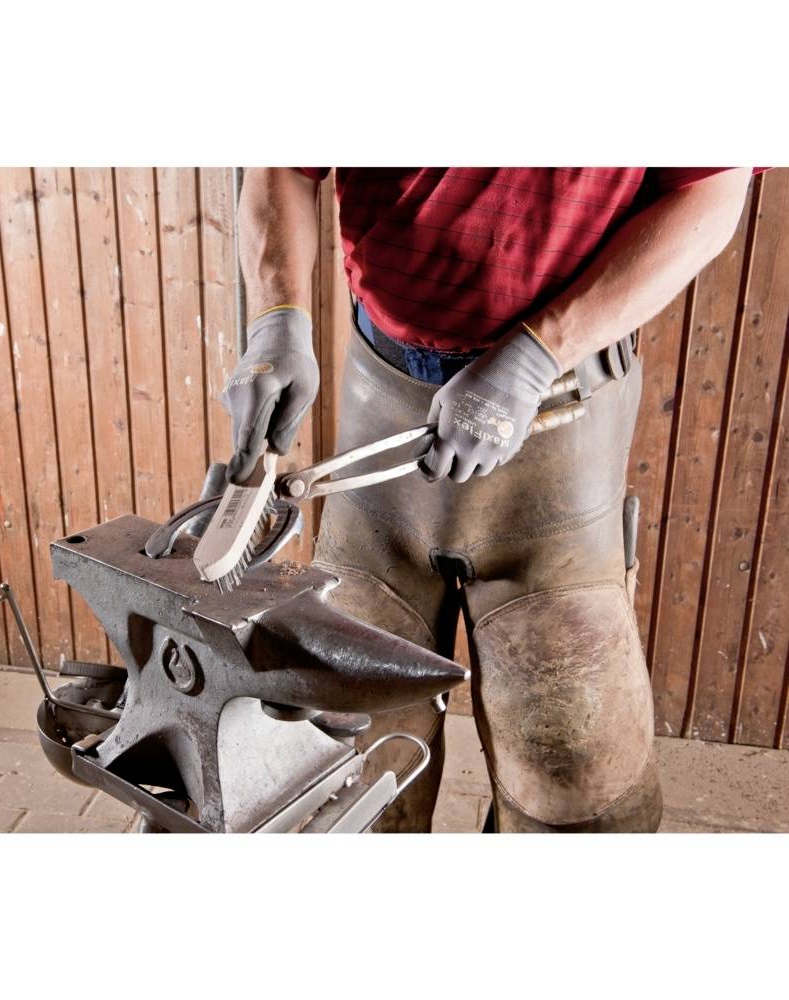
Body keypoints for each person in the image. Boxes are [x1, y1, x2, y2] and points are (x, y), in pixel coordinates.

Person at [222, 167, 753, 832]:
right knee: (342, 764)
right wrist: (277, 319)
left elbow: (712, 188)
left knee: (576, 780)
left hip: (559, 417)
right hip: (380, 392)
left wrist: (539, 352)